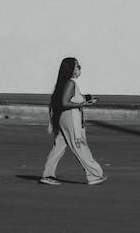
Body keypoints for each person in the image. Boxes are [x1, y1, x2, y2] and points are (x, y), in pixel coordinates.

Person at [39, 57, 107, 186]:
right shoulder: (71, 83)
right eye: (77, 67)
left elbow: (69, 98)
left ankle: (48, 175)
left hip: (64, 118)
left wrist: (87, 98)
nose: (79, 69)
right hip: (71, 119)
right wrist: (84, 104)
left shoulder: (65, 83)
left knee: (58, 147)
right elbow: (65, 102)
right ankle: (94, 175)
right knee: (80, 146)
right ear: (70, 69)